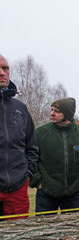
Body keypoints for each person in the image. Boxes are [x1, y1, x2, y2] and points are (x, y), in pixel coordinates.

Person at [30, 98, 79, 213]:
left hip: (75, 193)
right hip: (46, 193)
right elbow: (31, 158)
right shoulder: (39, 133)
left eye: (57, 111)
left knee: (74, 228)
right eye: (51, 110)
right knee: (45, 228)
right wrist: (38, 182)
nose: (52, 113)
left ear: (67, 114)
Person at [0, 54, 39, 220]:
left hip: (17, 189)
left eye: (5, 68)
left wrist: (26, 174)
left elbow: (32, 147)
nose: (2, 73)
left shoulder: (20, 108)